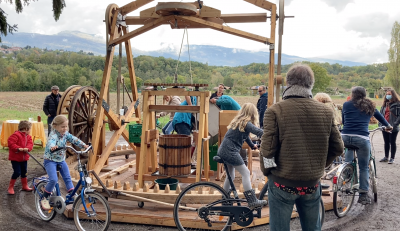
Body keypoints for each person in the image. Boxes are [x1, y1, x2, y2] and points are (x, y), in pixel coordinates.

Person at [260, 64, 344, 231]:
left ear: (288, 83)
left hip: (281, 183)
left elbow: (267, 150)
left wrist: (268, 171)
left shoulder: (275, 110)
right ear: (310, 84)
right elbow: (338, 148)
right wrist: (320, 165)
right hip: (312, 183)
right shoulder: (326, 112)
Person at [341, 86, 392, 205]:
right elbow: (382, 120)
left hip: (345, 137)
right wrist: (389, 126)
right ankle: (363, 195)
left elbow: (344, 122)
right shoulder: (370, 106)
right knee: (363, 167)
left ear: (352, 94)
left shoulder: (346, 105)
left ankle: (347, 171)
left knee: (349, 147)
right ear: (364, 94)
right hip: (362, 138)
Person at [217, 103, 267, 209]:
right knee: (246, 173)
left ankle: (225, 199)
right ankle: (252, 200)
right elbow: (259, 132)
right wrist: (272, 132)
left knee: (230, 175)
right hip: (230, 151)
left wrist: (252, 145)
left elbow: (245, 136)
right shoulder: (247, 124)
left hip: (223, 149)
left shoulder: (239, 122)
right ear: (253, 113)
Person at [40, 115, 88, 210]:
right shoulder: (53, 135)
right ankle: (44, 197)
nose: (65, 128)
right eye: (62, 127)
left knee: (67, 177)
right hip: (50, 160)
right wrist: (52, 147)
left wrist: (83, 145)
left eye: (66, 126)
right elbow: (51, 142)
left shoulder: (66, 134)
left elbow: (73, 139)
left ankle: (71, 193)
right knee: (53, 179)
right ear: (55, 126)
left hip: (61, 160)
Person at [7, 121, 34, 195]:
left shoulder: (28, 137)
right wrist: (18, 148)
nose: (30, 131)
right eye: (30, 129)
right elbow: (11, 143)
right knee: (17, 172)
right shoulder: (15, 135)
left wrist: (27, 148)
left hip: (24, 159)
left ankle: (25, 186)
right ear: (26, 129)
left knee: (24, 172)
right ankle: (10, 187)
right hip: (15, 159)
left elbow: (30, 144)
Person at [378, 89, 400, 164]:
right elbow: (381, 115)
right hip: (385, 126)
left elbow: (399, 116)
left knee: (392, 142)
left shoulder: (397, 104)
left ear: (393, 95)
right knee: (386, 142)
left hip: (393, 126)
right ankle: (386, 157)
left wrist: (395, 124)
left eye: (389, 94)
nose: (388, 95)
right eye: (387, 94)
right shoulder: (384, 105)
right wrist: (380, 125)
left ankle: (392, 158)